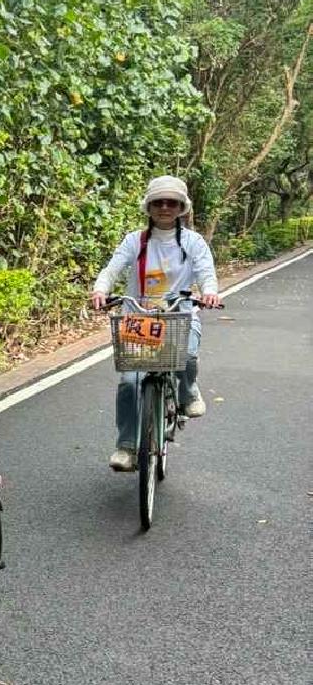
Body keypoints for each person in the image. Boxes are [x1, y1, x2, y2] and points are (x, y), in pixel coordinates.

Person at [91, 175, 220, 472]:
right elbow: (112, 269)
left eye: (171, 202)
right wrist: (100, 289)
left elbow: (206, 273)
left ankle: (187, 392)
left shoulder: (192, 241)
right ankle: (126, 447)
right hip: (139, 319)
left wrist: (209, 292)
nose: (165, 207)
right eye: (158, 202)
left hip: (180, 315)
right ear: (148, 207)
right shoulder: (134, 241)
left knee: (185, 357)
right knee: (128, 382)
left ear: (181, 208)